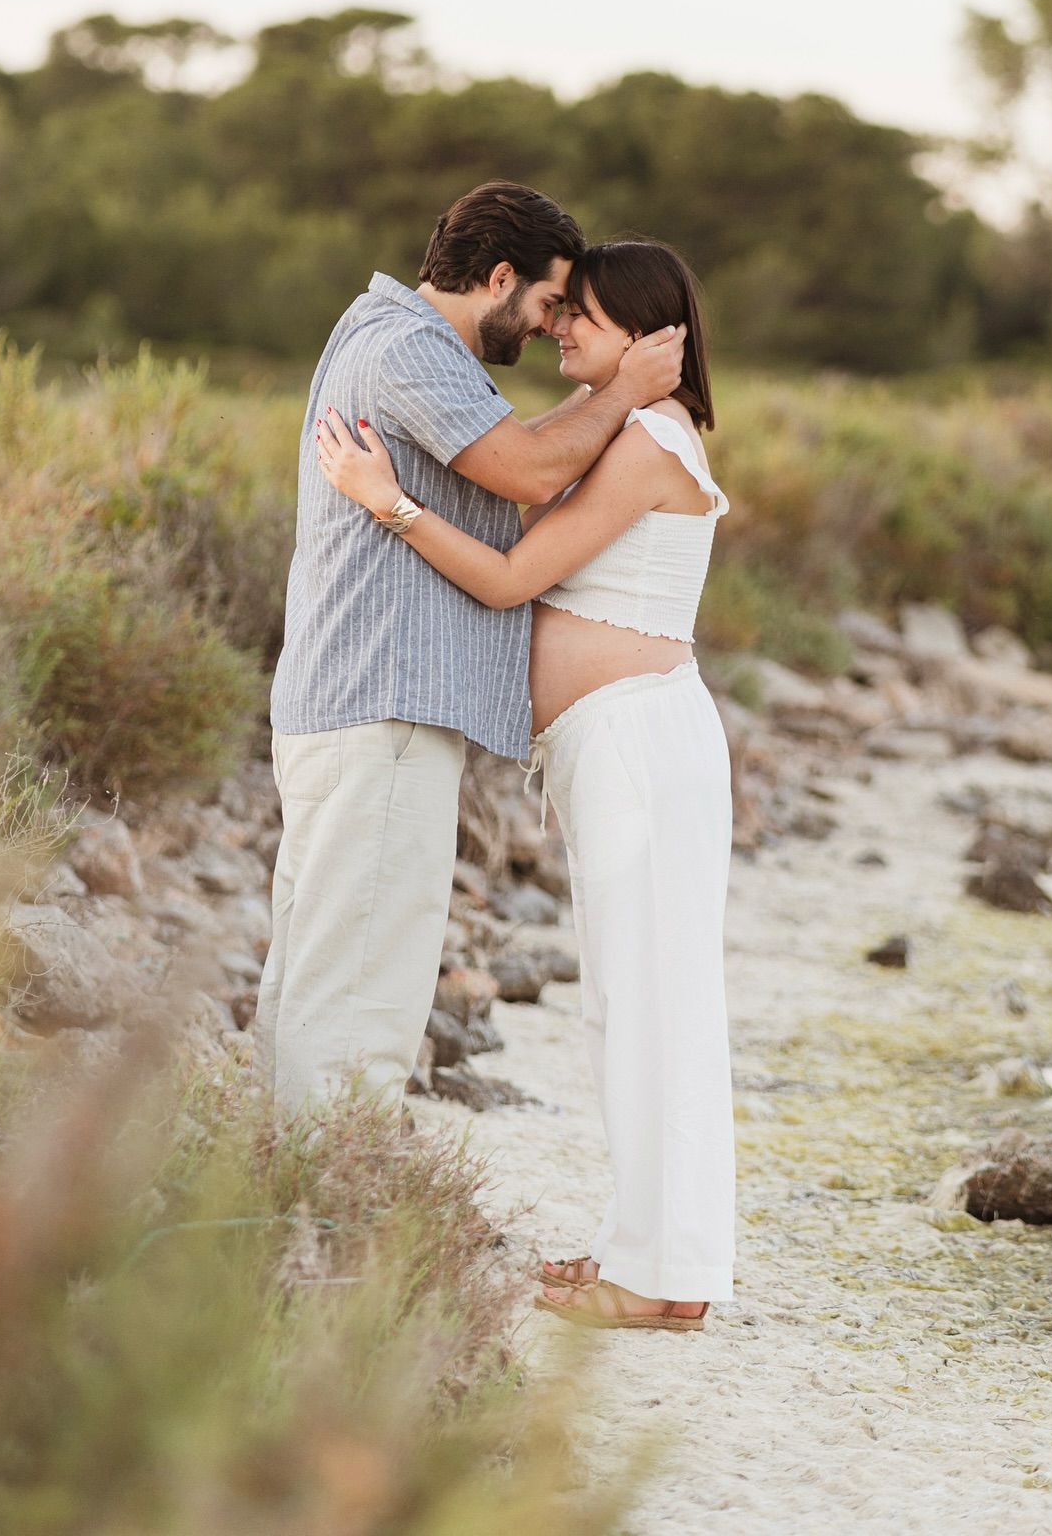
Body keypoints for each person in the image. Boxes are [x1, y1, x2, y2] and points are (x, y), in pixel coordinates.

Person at [316, 237, 734, 1335]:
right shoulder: (622, 428)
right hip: (615, 746)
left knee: (654, 1003)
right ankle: (641, 1248)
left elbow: (508, 581)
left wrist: (387, 503)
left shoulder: (650, 436)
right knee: (620, 1004)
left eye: (581, 316)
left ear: (644, 336)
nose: (557, 329)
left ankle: (668, 1276)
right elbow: (528, 487)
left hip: (640, 746)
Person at [256, 183, 686, 1114]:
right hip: (385, 708)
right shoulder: (409, 348)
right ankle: (335, 1189)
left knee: (313, 976)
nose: (550, 326)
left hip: (354, 706)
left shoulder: (385, 332)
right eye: (548, 302)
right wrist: (625, 390)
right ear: (498, 278)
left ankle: (284, 1180)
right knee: (361, 993)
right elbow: (529, 470)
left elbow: (512, 449)